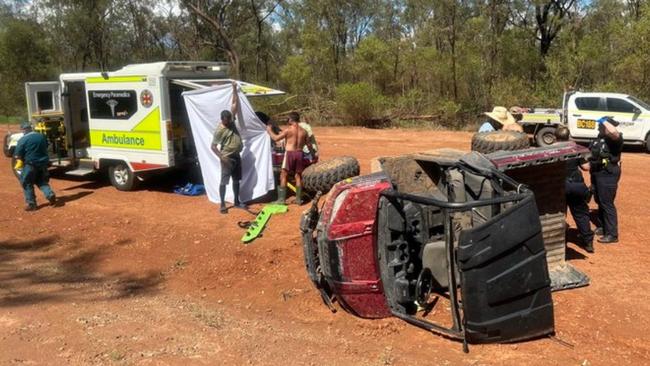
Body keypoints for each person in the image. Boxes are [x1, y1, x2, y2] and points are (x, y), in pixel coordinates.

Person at [211, 81, 247, 214]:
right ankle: (222, 204)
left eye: (230, 119)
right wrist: (222, 158)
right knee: (224, 181)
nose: (230, 121)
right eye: (227, 120)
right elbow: (213, 146)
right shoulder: (219, 130)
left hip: (236, 156)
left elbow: (234, 104)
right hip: (227, 157)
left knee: (236, 180)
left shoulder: (231, 121)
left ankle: (237, 201)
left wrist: (234, 89)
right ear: (222, 119)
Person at [267, 111, 314, 205]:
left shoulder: (288, 130)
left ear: (291, 120)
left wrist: (269, 131)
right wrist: (312, 155)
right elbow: (309, 145)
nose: (287, 120)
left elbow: (276, 138)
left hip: (289, 154)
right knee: (298, 176)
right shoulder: (304, 131)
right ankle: (298, 199)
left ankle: (281, 200)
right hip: (300, 153)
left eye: (288, 119)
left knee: (283, 175)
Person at [588, 116, 623, 244]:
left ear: (607, 126)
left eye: (600, 125)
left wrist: (604, 121)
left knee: (607, 202)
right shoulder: (598, 138)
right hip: (597, 172)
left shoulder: (615, 139)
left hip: (608, 173)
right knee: (600, 201)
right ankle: (603, 227)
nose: (598, 126)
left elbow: (614, 132)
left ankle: (612, 234)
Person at [13, 121, 57, 211]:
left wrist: (19, 159)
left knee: (26, 182)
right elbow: (47, 146)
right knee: (41, 181)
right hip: (43, 164)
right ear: (31, 128)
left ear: (24, 130)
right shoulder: (41, 136)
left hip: (30, 164)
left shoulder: (23, 139)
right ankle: (49, 194)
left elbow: (17, 154)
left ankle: (31, 204)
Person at [566, 157, 594, 253]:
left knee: (559, 213)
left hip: (558, 185)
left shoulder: (549, 149)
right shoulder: (574, 148)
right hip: (576, 184)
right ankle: (588, 242)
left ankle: (560, 238)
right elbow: (586, 167)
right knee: (581, 214)